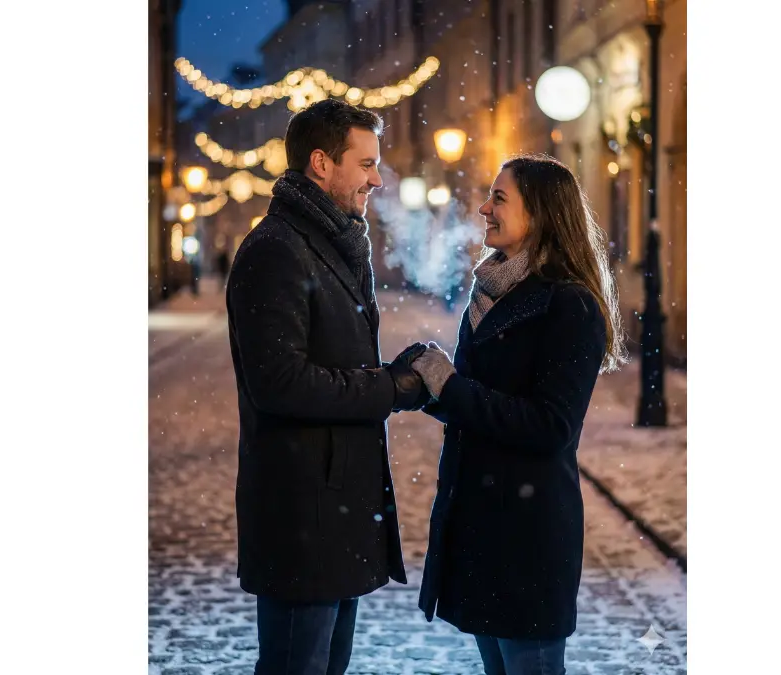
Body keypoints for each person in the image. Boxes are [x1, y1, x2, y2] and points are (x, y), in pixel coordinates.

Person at [225, 99, 430, 675]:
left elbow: (336, 360)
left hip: (335, 509)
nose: (376, 177)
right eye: (365, 164)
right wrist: (391, 386)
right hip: (302, 514)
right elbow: (280, 383)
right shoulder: (276, 250)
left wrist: (396, 376)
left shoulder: (330, 242)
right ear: (321, 163)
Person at [408, 154, 628, 675]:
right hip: (482, 524)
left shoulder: (569, 305)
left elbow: (551, 427)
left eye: (499, 198)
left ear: (543, 213)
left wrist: (451, 387)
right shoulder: (491, 295)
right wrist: (423, 388)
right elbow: (480, 401)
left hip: (528, 536)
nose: (483, 208)